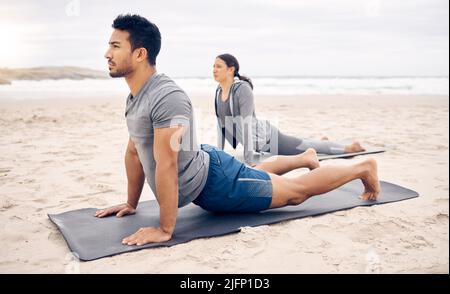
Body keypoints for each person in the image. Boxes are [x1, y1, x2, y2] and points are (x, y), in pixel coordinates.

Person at [95, 14, 380, 247]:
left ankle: (362, 167)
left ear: (140, 53)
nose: (107, 53)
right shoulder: (136, 97)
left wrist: (165, 228)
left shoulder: (166, 97)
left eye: (115, 46)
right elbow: (135, 152)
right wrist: (132, 203)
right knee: (258, 176)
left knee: (295, 193)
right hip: (206, 170)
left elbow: (167, 163)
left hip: (217, 183)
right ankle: (305, 158)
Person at [213, 53, 365, 165]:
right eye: (213, 66)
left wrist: (249, 162)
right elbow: (221, 126)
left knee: (303, 148)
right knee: (303, 143)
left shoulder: (243, 90)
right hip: (258, 143)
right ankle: (320, 141)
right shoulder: (219, 92)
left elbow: (246, 124)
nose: (214, 69)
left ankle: (350, 148)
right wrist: (219, 156)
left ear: (231, 70)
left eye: (218, 66)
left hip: (268, 138)